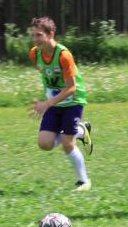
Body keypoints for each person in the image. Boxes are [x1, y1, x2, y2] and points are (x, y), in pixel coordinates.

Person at [28, 16, 93, 191]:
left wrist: (47, 103)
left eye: (39, 35)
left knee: (67, 144)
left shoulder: (64, 55)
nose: (35, 39)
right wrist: (50, 100)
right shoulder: (34, 54)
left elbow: (71, 88)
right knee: (44, 144)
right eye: (33, 35)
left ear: (51, 34)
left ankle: (84, 181)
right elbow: (46, 73)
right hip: (54, 103)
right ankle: (80, 131)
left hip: (73, 101)